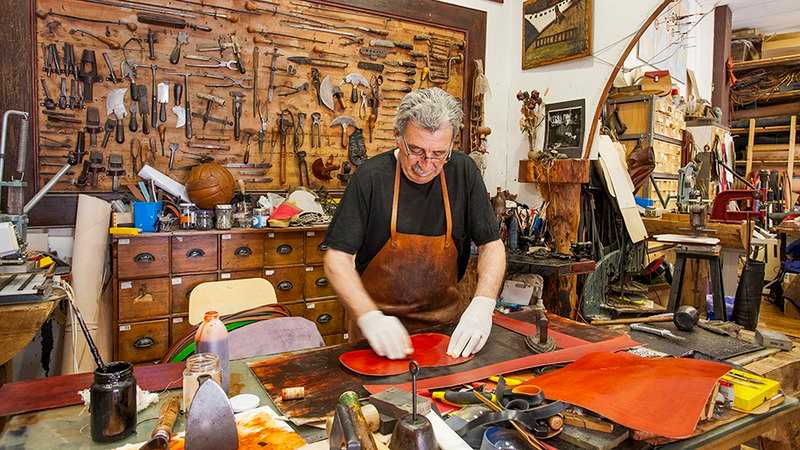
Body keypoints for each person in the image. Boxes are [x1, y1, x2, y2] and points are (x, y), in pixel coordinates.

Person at [323, 87, 506, 360]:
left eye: (439, 153)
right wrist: (368, 316)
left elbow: (492, 245)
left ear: (451, 146)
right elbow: (337, 258)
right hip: (379, 339)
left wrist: (483, 304)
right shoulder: (371, 178)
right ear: (398, 137)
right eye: (416, 150)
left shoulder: (463, 172)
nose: (426, 164)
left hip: (446, 335)